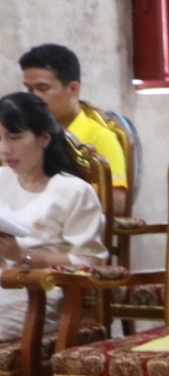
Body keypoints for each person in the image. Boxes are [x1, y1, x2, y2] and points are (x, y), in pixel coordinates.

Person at [0, 91, 107, 346]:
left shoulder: (73, 191)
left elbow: (90, 264)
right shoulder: (2, 180)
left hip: (46, 296)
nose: (5, 148)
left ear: (44, 138)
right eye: (1, 138)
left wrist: (23, 255)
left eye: (15, 137)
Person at [18, 44, 125, 188]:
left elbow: (117, 201)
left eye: (43, 88)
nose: (33, 97)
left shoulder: (100, 137)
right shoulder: (21, 134)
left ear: (73, 88)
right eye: (29, 89)